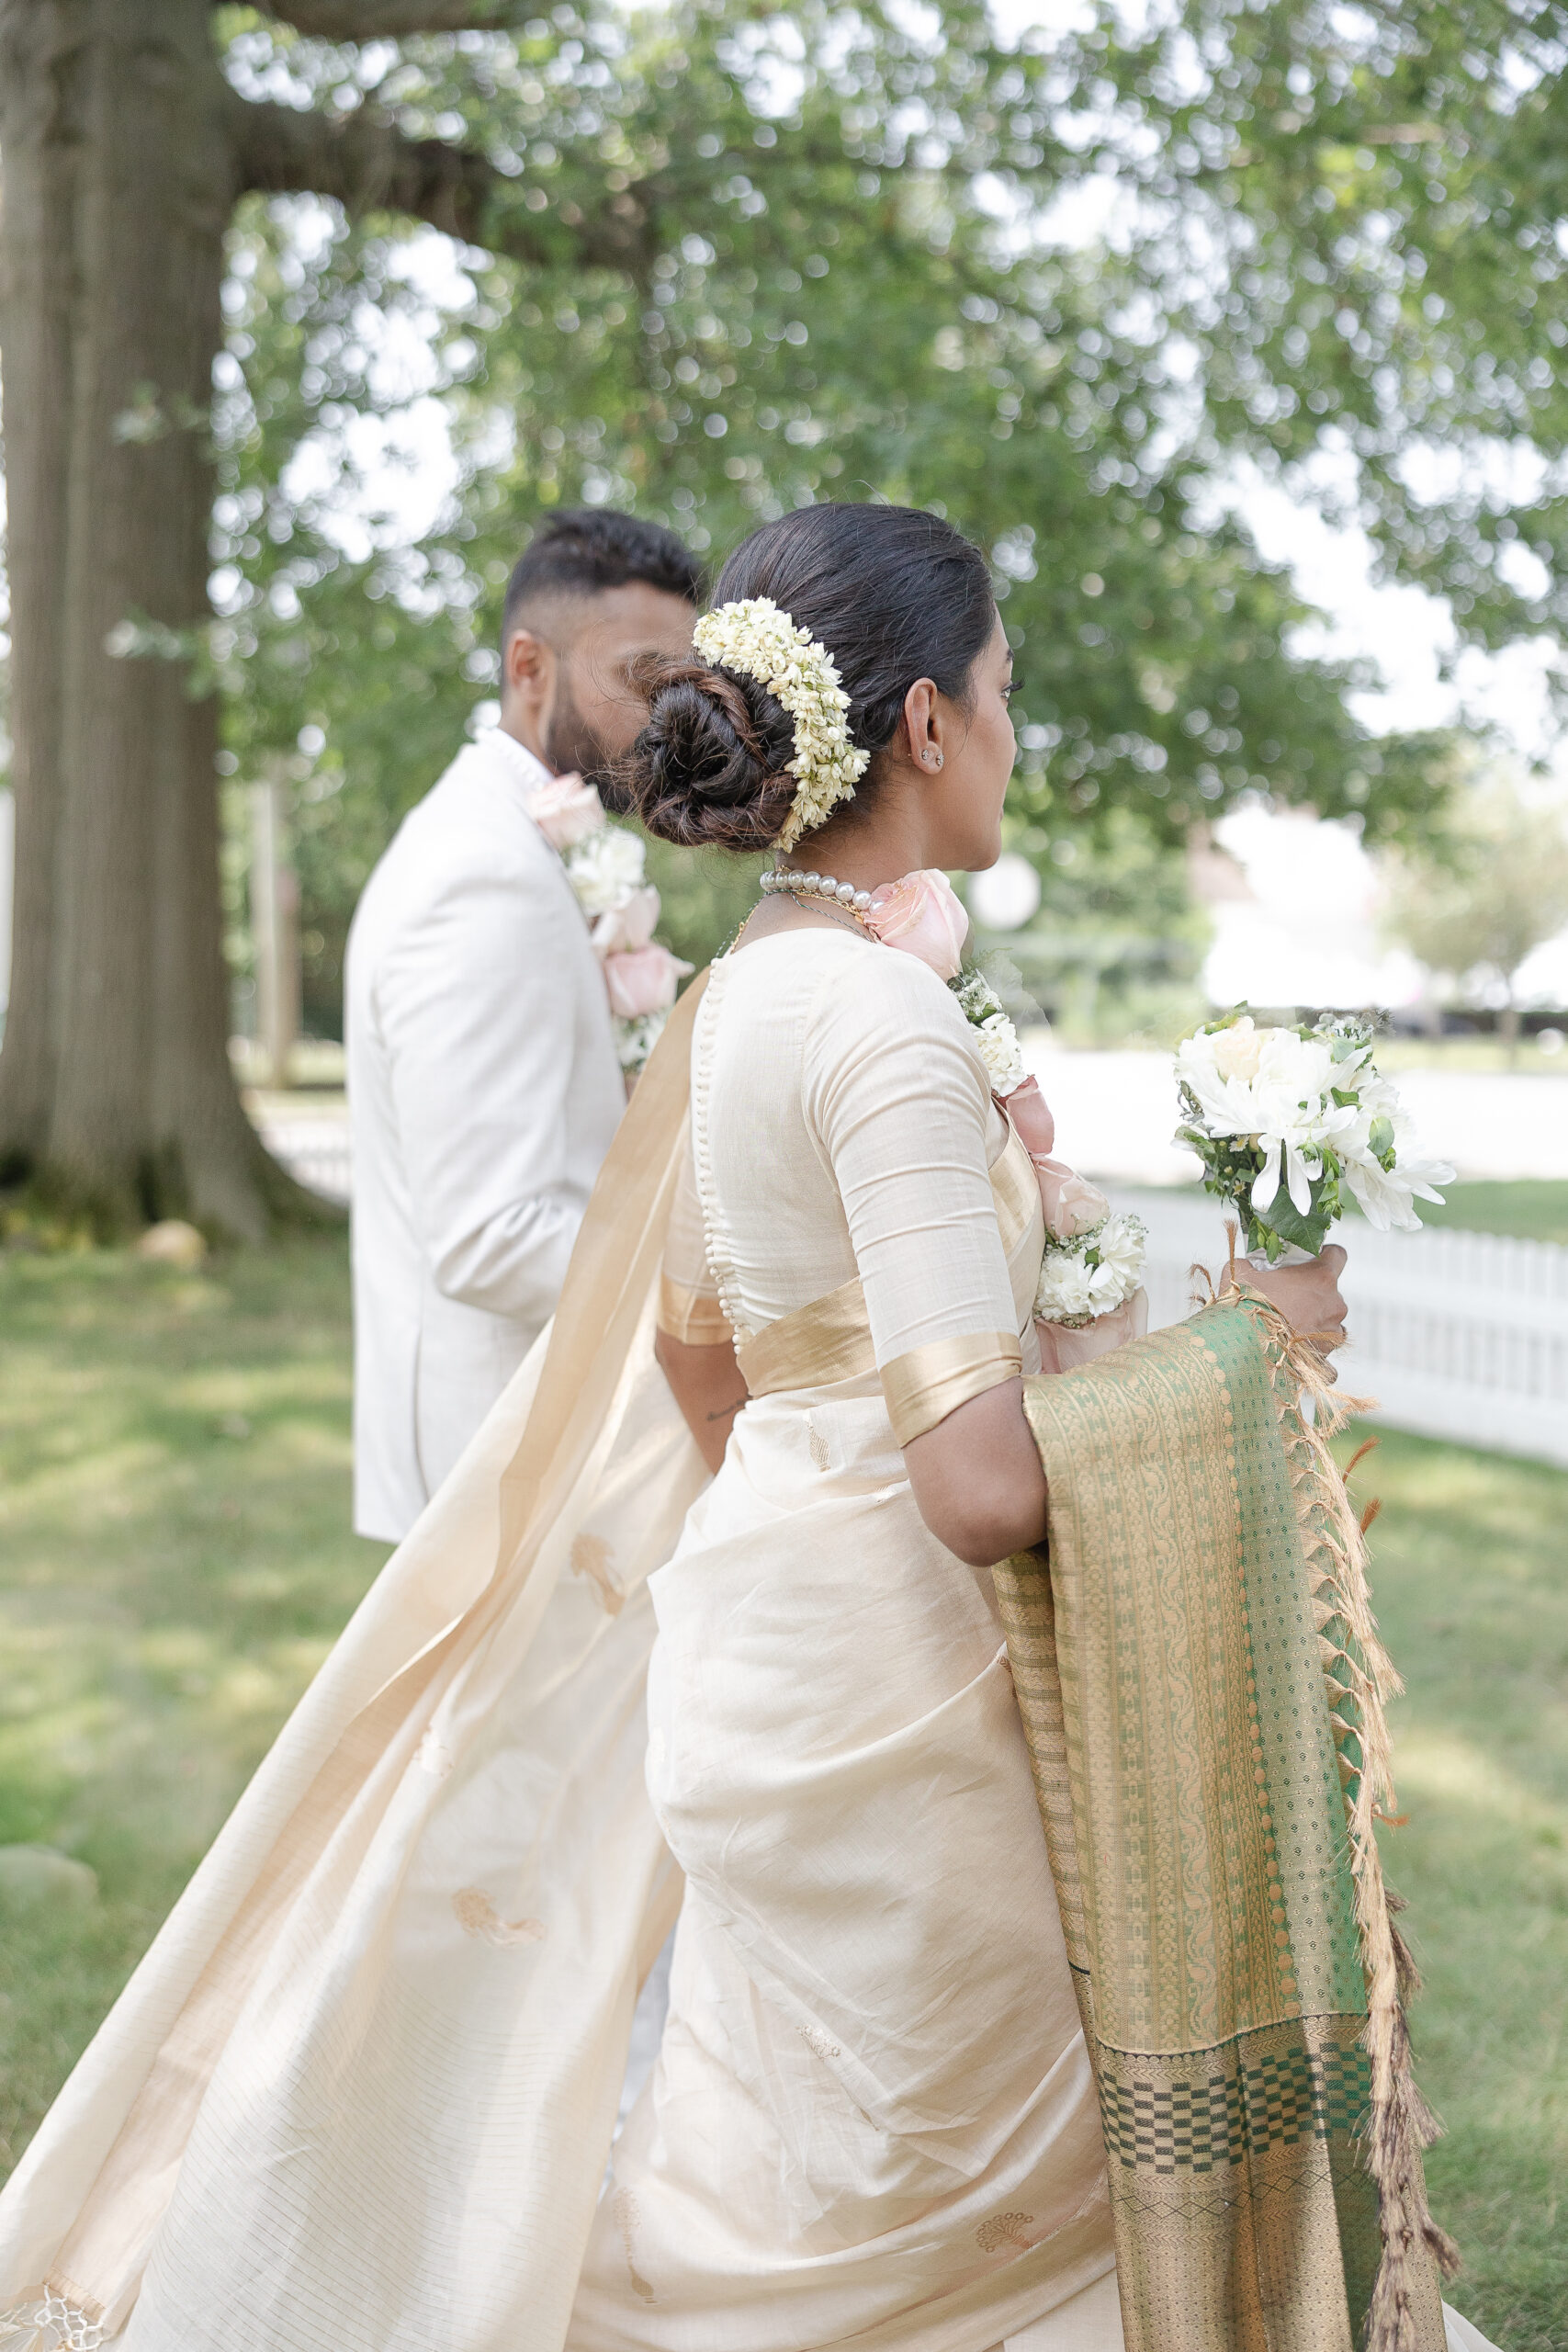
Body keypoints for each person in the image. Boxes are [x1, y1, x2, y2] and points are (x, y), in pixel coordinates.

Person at [0, 505, 1498, 2352]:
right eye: (1006, 690)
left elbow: (703, 1363)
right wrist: (1244, 1348)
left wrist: (843, 1494)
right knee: (949, 2223)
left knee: (770, 2198)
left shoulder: (746, 991)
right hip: (904, 1699)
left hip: (762, 1653)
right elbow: (972, 1484)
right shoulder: (883, 1023)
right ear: (928, 722)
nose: (1018, 732)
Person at [345, 506, 701, 1543]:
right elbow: (489, 1238)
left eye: (677, 681)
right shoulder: (484, 875)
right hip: (497, 1462)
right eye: (639, 676)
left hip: (538, 1440)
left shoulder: (517, 842)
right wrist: (719, 1272)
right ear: (528, 666)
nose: (665, 716)